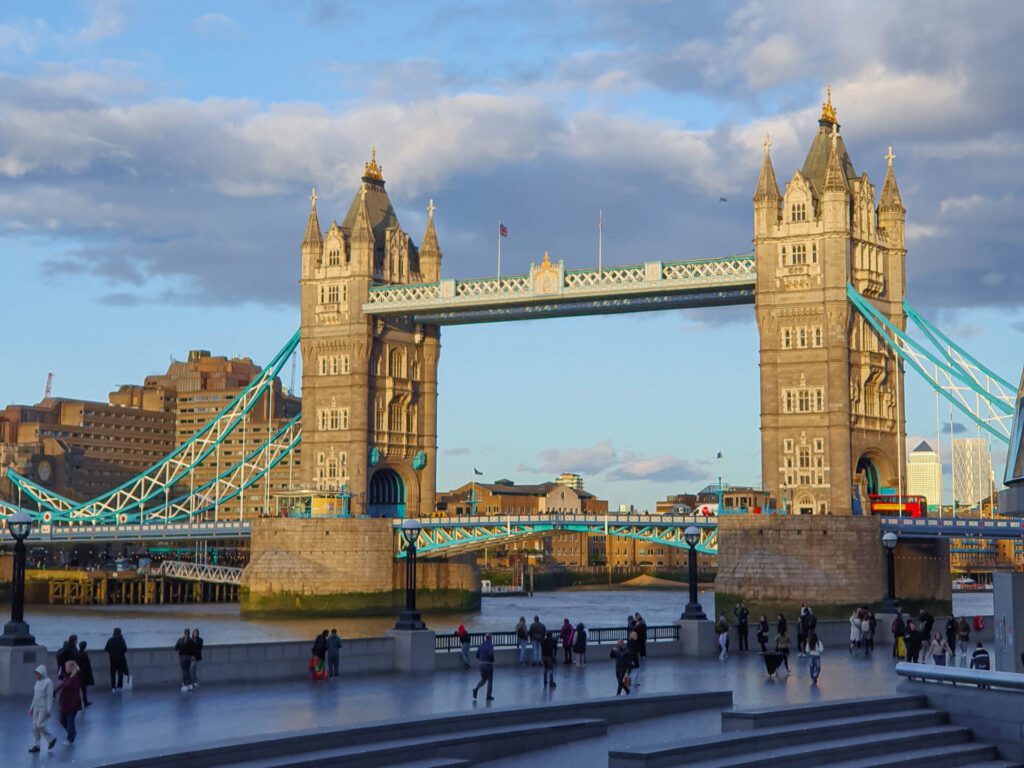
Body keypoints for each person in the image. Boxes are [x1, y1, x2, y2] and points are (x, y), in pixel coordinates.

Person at [28, 664, 57, 753]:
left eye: (37, 674)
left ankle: (51, 738)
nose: (36, 675)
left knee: (40, 725)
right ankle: (36, 745)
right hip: (36, 706)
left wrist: (48, 710)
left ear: (42, 673)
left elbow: (49, 697)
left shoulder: (48, 682)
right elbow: (35, 696)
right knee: (34, 727)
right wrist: (31, 708)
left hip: (43, 707)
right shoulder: (37, 683)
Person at [55, 660, 82, 744]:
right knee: (62, 720)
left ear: (71, 668)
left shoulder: (74, 678)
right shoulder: (67, 676)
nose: (65, 668)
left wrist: (57, 689)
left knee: (70, 721)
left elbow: (66, 684)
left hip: (72, 703)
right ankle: (72, 733)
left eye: (66, 667)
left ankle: (70, 738)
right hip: (65, 703)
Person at [105, 627, 129, 692]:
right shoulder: (122, 640)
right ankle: (119, 686)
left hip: (112, 660)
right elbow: (125, 650)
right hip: (120, 660)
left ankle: (113, 687)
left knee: (112, 674)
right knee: (120, 673)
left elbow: (106, 649)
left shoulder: (110, 640)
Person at [472, 633, 495, 701]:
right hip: (488, 664)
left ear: (485, 638)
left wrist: (481, 659)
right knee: (490, 680)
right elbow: (491, 654)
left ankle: (476, 689)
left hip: (481, 664)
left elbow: (477, 655)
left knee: (483, 679)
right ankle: (488, 696)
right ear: (490, 638)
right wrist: (492, 660)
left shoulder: (481, 645)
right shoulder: (490, 645)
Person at [76, 641, 94, 707]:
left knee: (78, 689)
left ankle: (80, 702)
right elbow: (87, 665)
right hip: (83, 673)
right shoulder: (84, 654)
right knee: (83, 689)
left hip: (78, 672)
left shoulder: (77, 653)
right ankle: (85, 702)